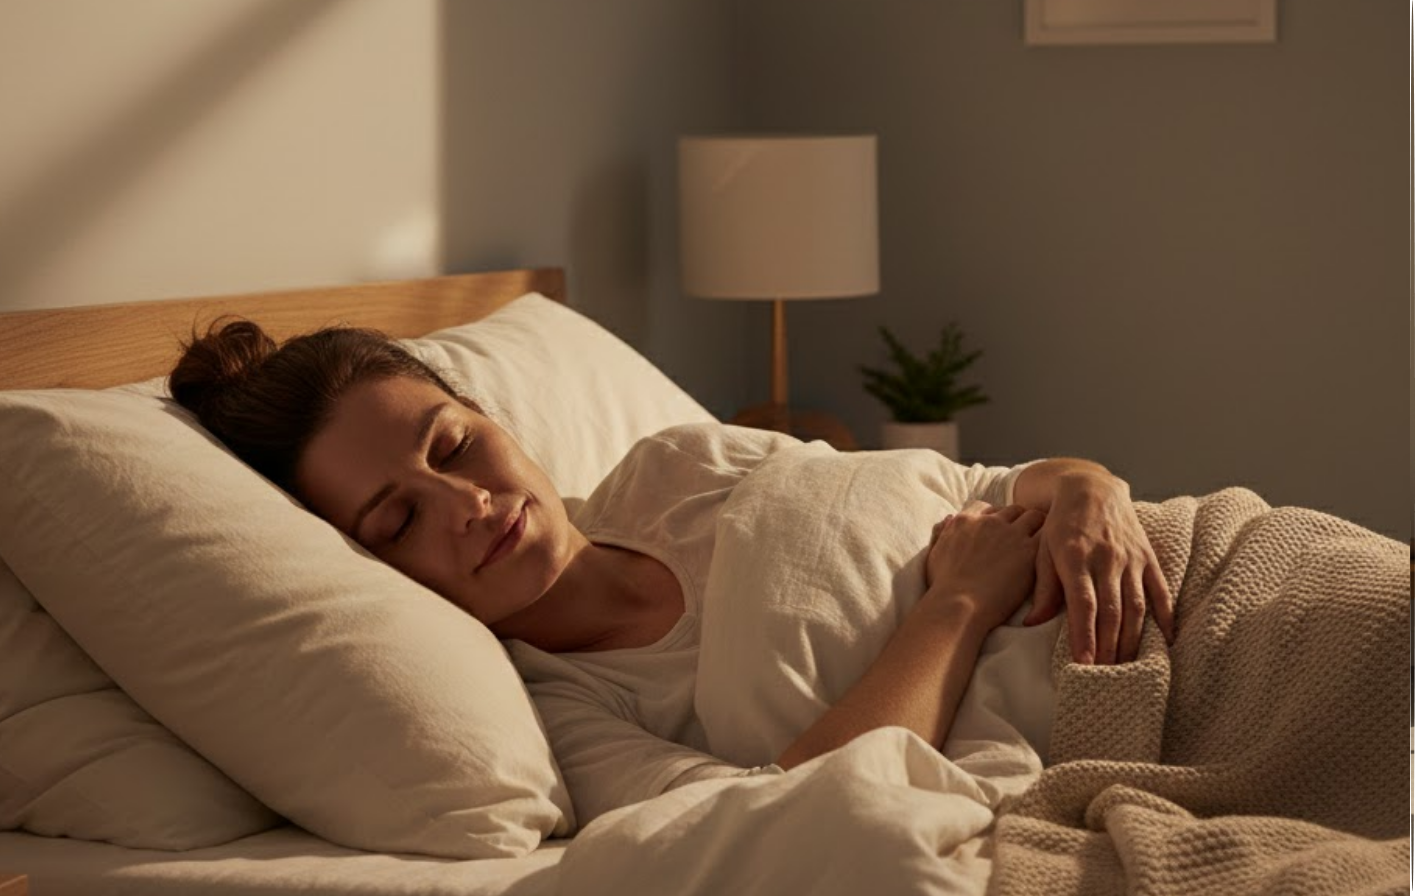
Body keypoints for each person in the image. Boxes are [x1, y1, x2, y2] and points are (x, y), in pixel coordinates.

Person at [169, 318, 1176, 823]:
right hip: (1116, 707)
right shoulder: (561, 716)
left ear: (498, 422)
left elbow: (985, 483)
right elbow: (793, 818)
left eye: (454, 445)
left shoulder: (676, 467)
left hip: (1192, 568)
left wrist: (1088, 484)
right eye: (399, 520)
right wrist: (957, 601)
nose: (467, 504)